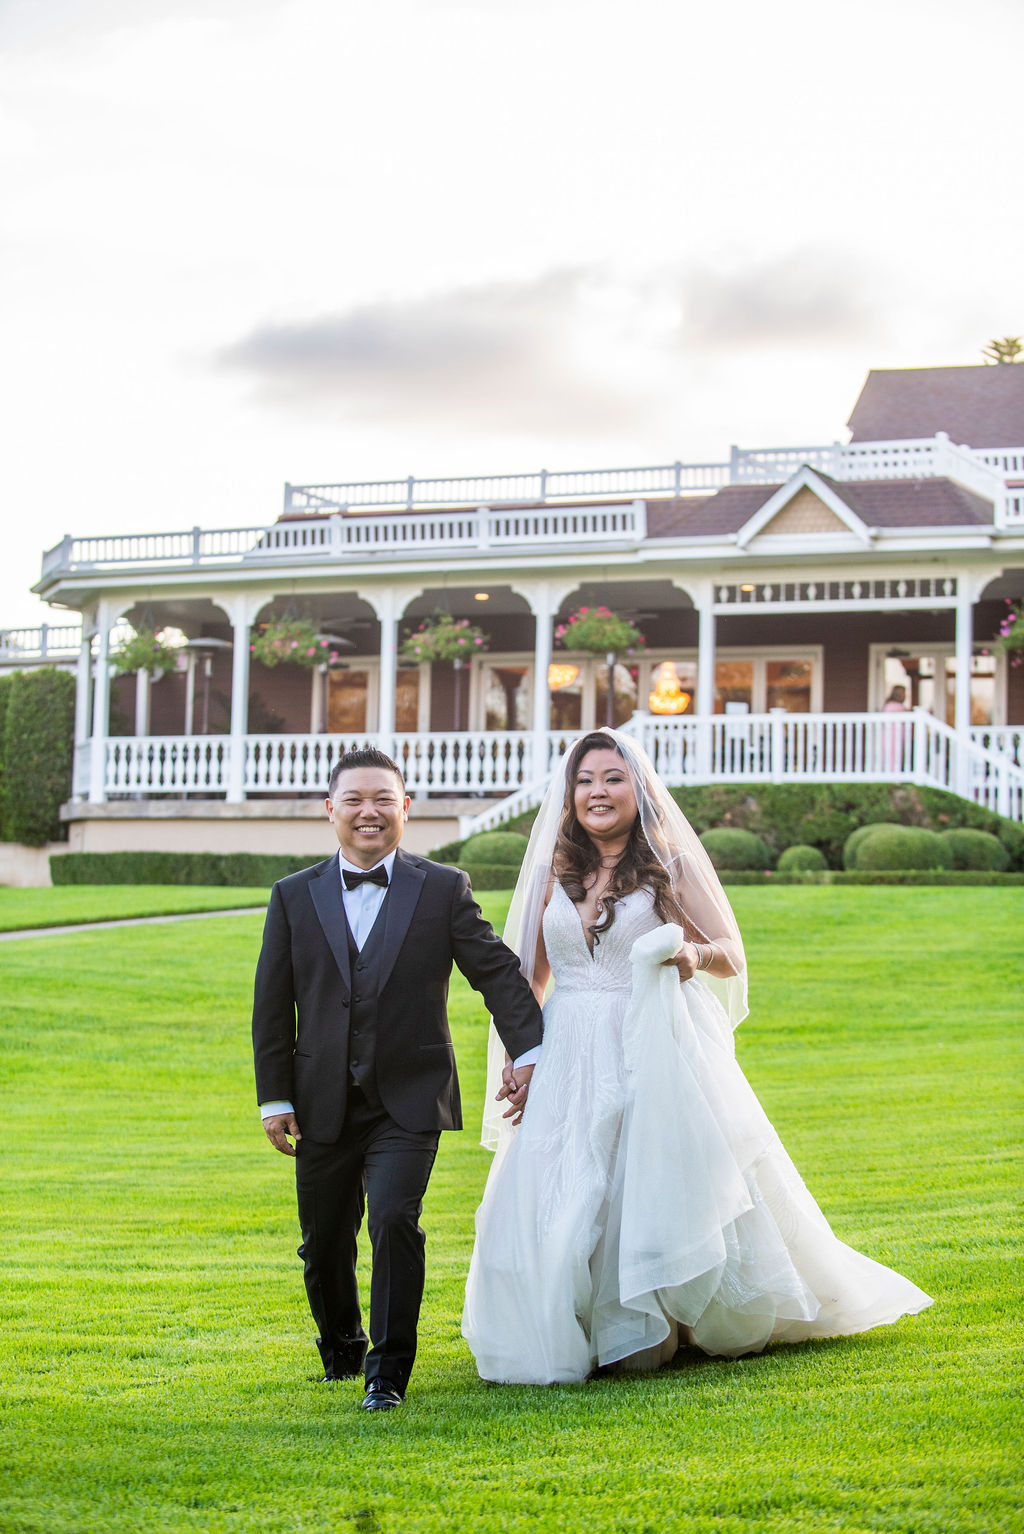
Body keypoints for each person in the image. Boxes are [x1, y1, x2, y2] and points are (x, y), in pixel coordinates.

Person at [462, 728, 931, 1384]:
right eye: (585, 780)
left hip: (650, 1039)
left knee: (650, 1172)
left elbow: (731, 953)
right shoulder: (550, 873)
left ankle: (665, 1317)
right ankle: (571, 1324)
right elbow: (530, 979)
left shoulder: (670, 865)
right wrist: (525, 1056)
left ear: (638, 789)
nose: (598, 792)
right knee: (567, 1178)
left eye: (613, 778)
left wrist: (691, 953)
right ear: (569, 794)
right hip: (569, 1043)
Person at [253, 746, 543, 1411]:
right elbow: (271, 1005)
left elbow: (496, 972)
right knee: (324, 1241)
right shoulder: (292, 896)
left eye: (384, 798)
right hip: (320, 1100)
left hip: (410, 1097)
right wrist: (274, 1097)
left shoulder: (442, 887)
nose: (369, 811)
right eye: (354, 799)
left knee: (392, 1219)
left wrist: (530, 1051)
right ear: (330, 809)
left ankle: (386, 1375)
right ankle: (342, 1350)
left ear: (405, 808)